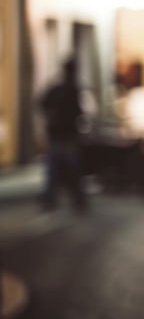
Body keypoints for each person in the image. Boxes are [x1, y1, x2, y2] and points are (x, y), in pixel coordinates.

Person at [38, 58, 88, 212]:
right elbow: (42, 103)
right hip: (63, 136)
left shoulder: (65, 89)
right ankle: (69, 199)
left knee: (58, 169)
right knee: (66, 169)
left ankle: (60, 199)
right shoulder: (66, 90)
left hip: (62, 135)